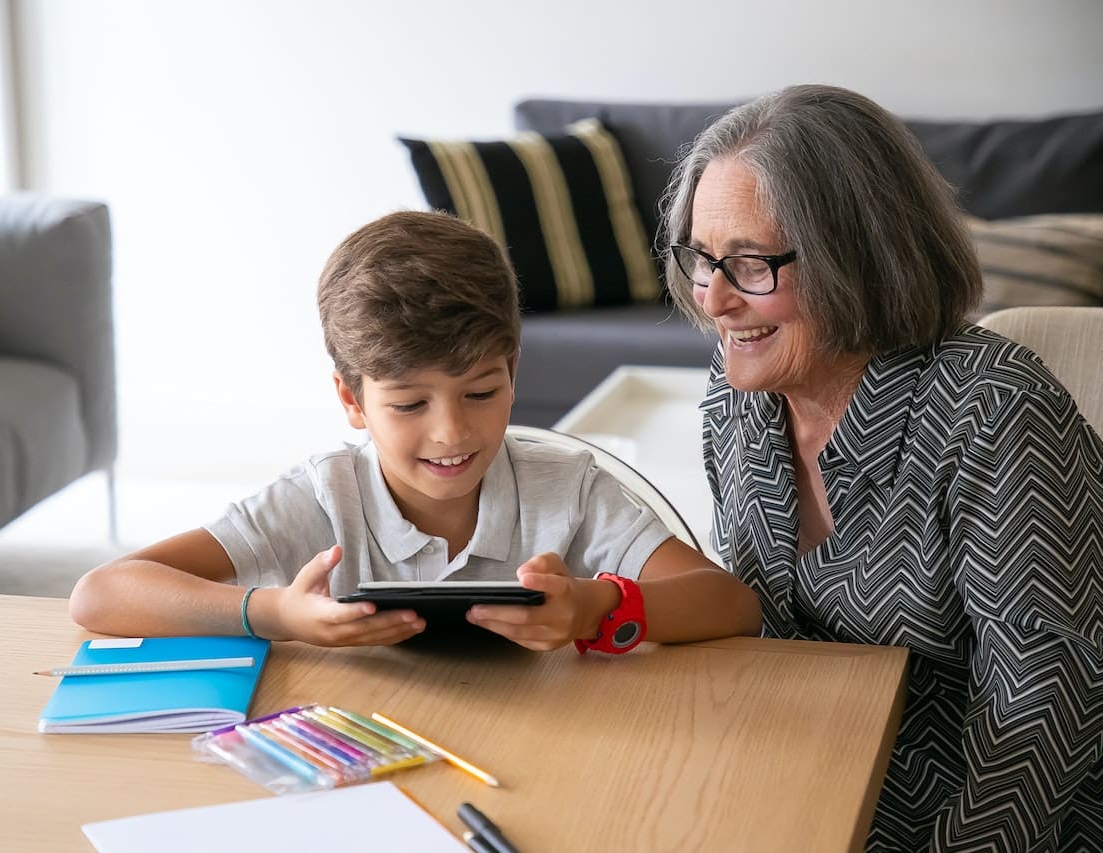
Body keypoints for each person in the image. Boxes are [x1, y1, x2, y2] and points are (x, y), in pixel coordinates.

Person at [661, 83, 1103, 851]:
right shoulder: (737, 400)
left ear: (856, 256)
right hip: (811, 791)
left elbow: (1048, 708)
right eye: (702, 258)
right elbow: (753, 625)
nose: (714, 299)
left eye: (751, 264)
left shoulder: (995, 411)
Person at [70, 210, 760, 653]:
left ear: (513, 370)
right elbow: (100, 593)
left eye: (482, 392)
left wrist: (592, 605)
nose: (451, 431)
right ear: (352, 399)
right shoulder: (320, 496)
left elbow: (730, 603)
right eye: (408, 404)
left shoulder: (566, 491)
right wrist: (278, 611)